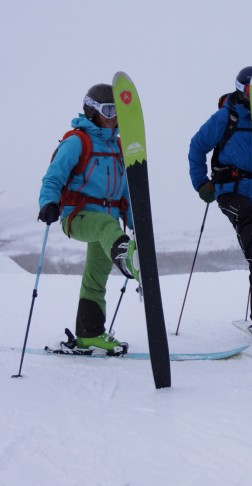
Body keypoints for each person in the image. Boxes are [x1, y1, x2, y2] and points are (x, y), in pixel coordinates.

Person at [188, 66, 252, 342]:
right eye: (249, 91)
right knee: (249, 226)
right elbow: (197, 146)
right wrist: (201, 183)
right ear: (239, 90)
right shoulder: (225, 118)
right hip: (229, 190)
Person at [38, 83, 136, 355]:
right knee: (106, 226)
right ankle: (127, 257)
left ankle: (89, 334)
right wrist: (48, 202)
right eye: (108, 110)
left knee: (96, 278)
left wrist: (133, 218)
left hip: (109, 224)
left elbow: (125, 189)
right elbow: (54, 175)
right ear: (92, 111)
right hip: (78, 216)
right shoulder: (77, 141)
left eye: (117, 111)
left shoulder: (117, 146)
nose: (114, 116)